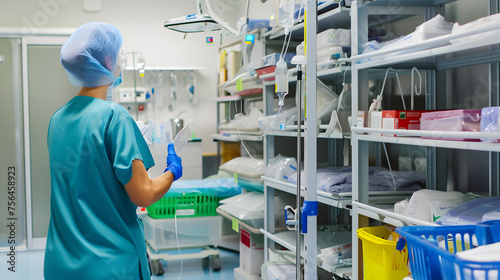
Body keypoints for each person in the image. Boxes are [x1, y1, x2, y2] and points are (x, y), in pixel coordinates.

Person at [43, 22, 182, 280]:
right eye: (119, 53)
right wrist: (172, 172)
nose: (121, 59)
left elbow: (86, 175)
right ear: (108, 60)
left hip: (59, 265)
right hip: (108, 265)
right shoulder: (115, 117)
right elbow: (144, 195)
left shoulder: (57, 119)